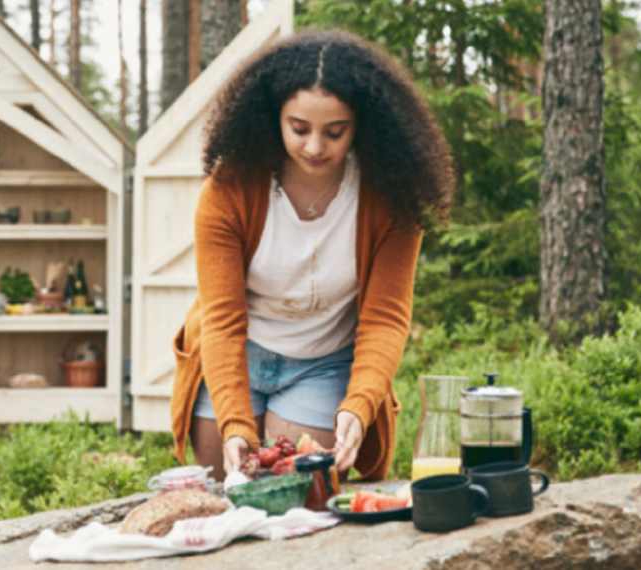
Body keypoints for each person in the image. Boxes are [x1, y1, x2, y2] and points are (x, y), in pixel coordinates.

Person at [169, 30, 454, 481]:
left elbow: (385, 319)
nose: (316, 147)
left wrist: (358, 406)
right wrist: (236, 424)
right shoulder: (228, 190)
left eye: (335, 132)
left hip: (324, 364)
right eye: (299, 129)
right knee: (223, 494)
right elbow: (221, 318)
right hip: (234, 352)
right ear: (273, 117)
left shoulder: (395, 198)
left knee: (298, 496)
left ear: (362, 124)